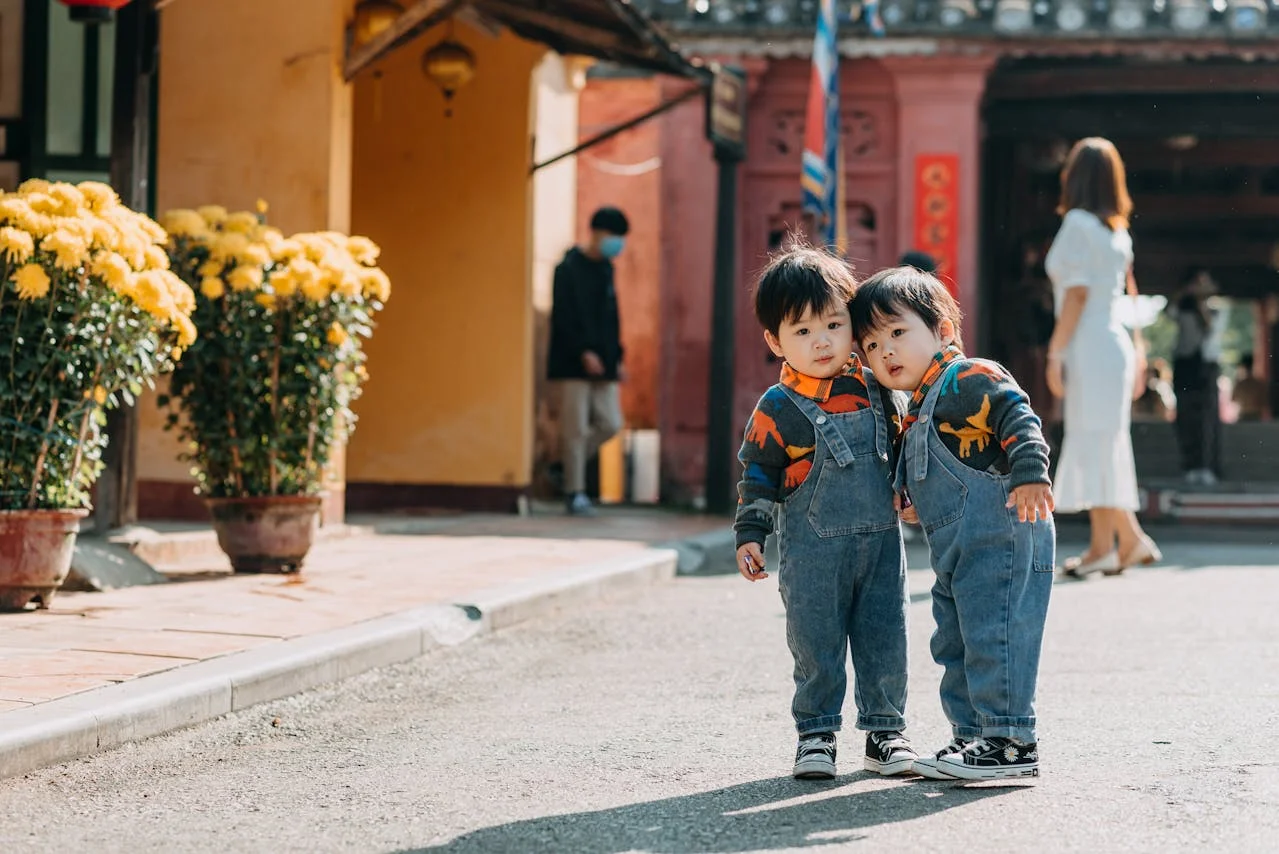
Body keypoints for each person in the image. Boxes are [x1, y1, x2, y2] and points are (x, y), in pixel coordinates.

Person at [852, 265, 1055, 781]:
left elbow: (1017, 415)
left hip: (1003, 535)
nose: (886, 353)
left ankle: (1010, 741)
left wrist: (1031, 472)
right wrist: (912, 498)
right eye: (872, 346)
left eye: (898, 333)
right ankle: (971, 737)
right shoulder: (915, 405)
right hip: (956, 553)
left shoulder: (968, 377)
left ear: (942, 330)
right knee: (955, 641)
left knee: (995, 635)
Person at [733, 244, 916, 781]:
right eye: (803, 331)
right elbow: (758, 473)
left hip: (882, 547)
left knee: (886, 635)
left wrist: (909, 490)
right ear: (775, 341)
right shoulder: (777, 408)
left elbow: (903, 446)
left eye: (834, 325)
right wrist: (751, 532)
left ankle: (886, 732)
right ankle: (816, 734)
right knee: (816, 640)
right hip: (812, 555)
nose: (822, 342)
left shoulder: (878, 388)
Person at [1044, 137, 1161, 577]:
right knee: (1104, 441)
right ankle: (1115, 544)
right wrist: (1141, 355)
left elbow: (1075, 294)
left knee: (1093, 439)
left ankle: (1117, 543)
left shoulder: (1077, 223)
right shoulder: (1117, 232)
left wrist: (1055, 352)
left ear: (1074, 177)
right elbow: (1125, 297)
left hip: (1088, 342)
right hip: (1114, 344)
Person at [547, 207, 629, 516]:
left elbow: (612, 318)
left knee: (610, 423)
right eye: (614, 236)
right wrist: (583, 351)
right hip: (571, 363)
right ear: (595, 232)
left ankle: (562, 466)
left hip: (605, 364)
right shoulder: (567, 268)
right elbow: (563, 317)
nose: (617, 243)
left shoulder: (607, 269)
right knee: (575, 429)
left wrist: (616, 357)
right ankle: (574, 492)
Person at [1167, 269, 1226, 484]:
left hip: (1207, 366)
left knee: (1208, 418)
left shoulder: (1218, 309)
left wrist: (1201, 301)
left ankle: (1208, 465)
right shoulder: (1181, 308)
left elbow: (1210, 327)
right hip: (1185, 365)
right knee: (1185, 416)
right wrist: (1186, 293)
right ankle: (1190, 464)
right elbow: (1170, 311)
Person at [1233, 352, 1266, 422]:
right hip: (1256, 416)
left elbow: (1233, 398)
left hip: (1244, 414)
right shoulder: (1259, 384)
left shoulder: (1240, 384)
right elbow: (1264, 403)